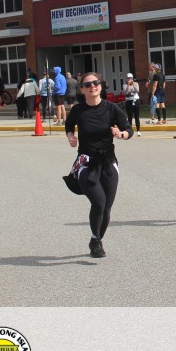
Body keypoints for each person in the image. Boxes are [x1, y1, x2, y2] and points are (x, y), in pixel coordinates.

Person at [65, 72, 133, 258]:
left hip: (108, 162)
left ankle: (96, 240)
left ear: (101, 86)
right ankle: (96, 239)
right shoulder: (78, 110)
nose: (92, 86)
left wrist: (121, 134)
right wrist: (71, 137)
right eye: (87, 85)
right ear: (82, 90)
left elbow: (128, 129)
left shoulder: (112, 108)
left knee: (107, 208)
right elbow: (69, 125)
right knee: (99, 202)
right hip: (86, 162)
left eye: (95, 83)